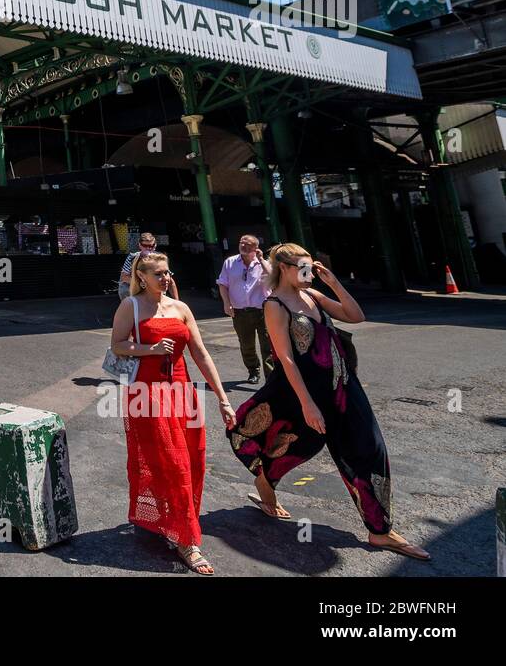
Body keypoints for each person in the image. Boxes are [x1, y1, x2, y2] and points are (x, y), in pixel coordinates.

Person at [227, 243, 430, 560]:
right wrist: (308, 404)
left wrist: (333, 282)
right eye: (304, 268)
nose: (310, 275)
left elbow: (356, 316)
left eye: (312, 268)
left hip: (344, 386)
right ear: (284, 268)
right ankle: (266, 485)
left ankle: (380, 531)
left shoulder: (313, 296)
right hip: (302, 393)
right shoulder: (275, 304)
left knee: (370, 447)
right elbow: (286, 359)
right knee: (296, 448)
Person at [110, 250, 238, 575]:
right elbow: (117, 345)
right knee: (171, 462)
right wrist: (148, 349)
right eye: (158, 274)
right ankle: (187, 541)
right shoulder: (132, 306)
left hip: (183, 393)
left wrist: (222, 398)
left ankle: (174, 522)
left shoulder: (180, 308)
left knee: (192, 461)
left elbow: (200, 353)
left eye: (168, 273)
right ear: (142, 277)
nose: (165, 279)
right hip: (148, 395)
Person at [217, 235, 275, 382]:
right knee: (246, 344)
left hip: (263, 310)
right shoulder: (230, 262)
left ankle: (271, 376)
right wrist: (226, 303)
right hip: (240, 311)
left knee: (268, 345)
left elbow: (273, 276)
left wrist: (261, 260)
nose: (243, 245)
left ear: (256, 248)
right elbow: (223, 284)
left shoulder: (263, 263)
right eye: (241, 243)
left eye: (248, 244)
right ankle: (253, 371)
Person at [117, 232, 177, 299]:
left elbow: (170, 281)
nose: (149, 248)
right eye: (145, 246)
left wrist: (177, 302)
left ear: (155, 245)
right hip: (133, 293)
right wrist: (143, 284)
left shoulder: (159, 258)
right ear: (140, 245)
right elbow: (124, 277)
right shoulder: (133, 257)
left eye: (152, 246)